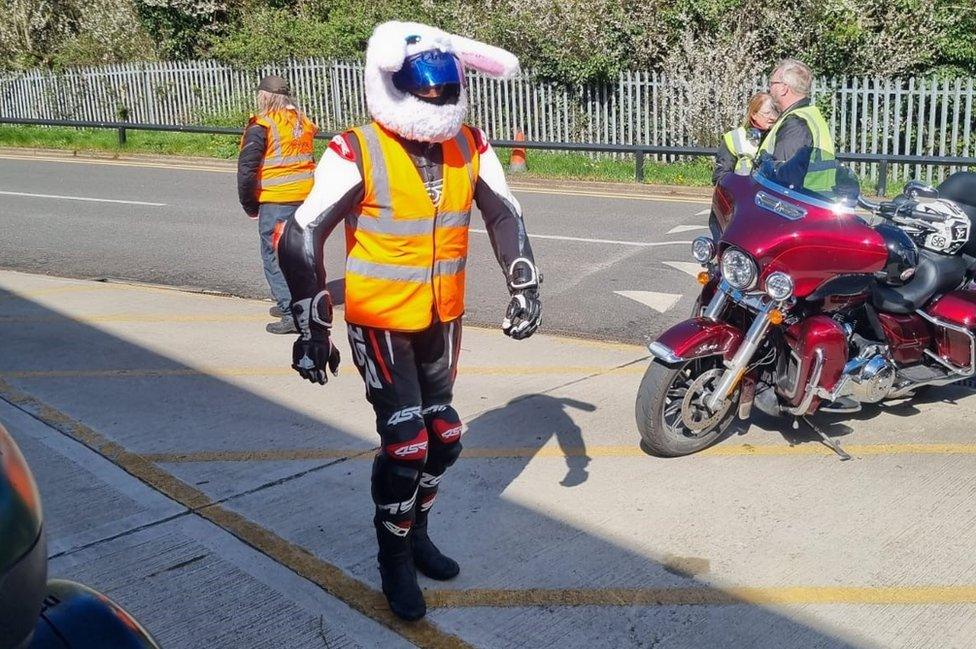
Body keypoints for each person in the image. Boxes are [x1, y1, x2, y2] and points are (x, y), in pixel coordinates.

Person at [275, 21, 542, 621]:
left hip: (441, 316)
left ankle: (416, 530)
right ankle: (392, 556)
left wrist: (524, 282)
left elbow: (505, 213)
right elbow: (301, 234)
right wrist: (311, 326)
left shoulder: (470, 144)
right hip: (381, 322)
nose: (438, 102)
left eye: (447, 90)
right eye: (426, 91)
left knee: (443, 438)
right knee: (406, 443)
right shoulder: (356, 148)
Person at [237, 75, 317, 334]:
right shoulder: (302, 122)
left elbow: (247, 169)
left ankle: (290, 314)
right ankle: (301, 306)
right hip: (305, 198)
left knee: (274, 256)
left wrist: (250, 204)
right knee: (299, 256)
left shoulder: (262, 126)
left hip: (277, 199)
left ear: (264, 96)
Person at [760, 59, 836, 193]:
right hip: (815, 202)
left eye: (772, 84)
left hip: (802, 206)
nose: (769, 89)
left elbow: (784, 179)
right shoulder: (810, 114)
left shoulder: (795, 123)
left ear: (784, 88)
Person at [713, 92, 778, 184]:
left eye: (775, 113)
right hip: (741, 193)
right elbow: (721, 177)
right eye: (767, 113)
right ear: (754, 115)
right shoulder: (733, 138)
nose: (772, 117)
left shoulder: (780, 136)